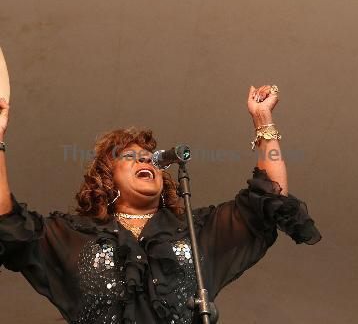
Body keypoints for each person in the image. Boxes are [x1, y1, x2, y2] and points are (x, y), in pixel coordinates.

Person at [0, 84, 321, 324]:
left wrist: (263, 121)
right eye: (130, 156)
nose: (145, 160)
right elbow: (8, 222)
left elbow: (269, 197)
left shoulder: (198, 232)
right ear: (106, 178)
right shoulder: (70, 236)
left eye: (149, 158)